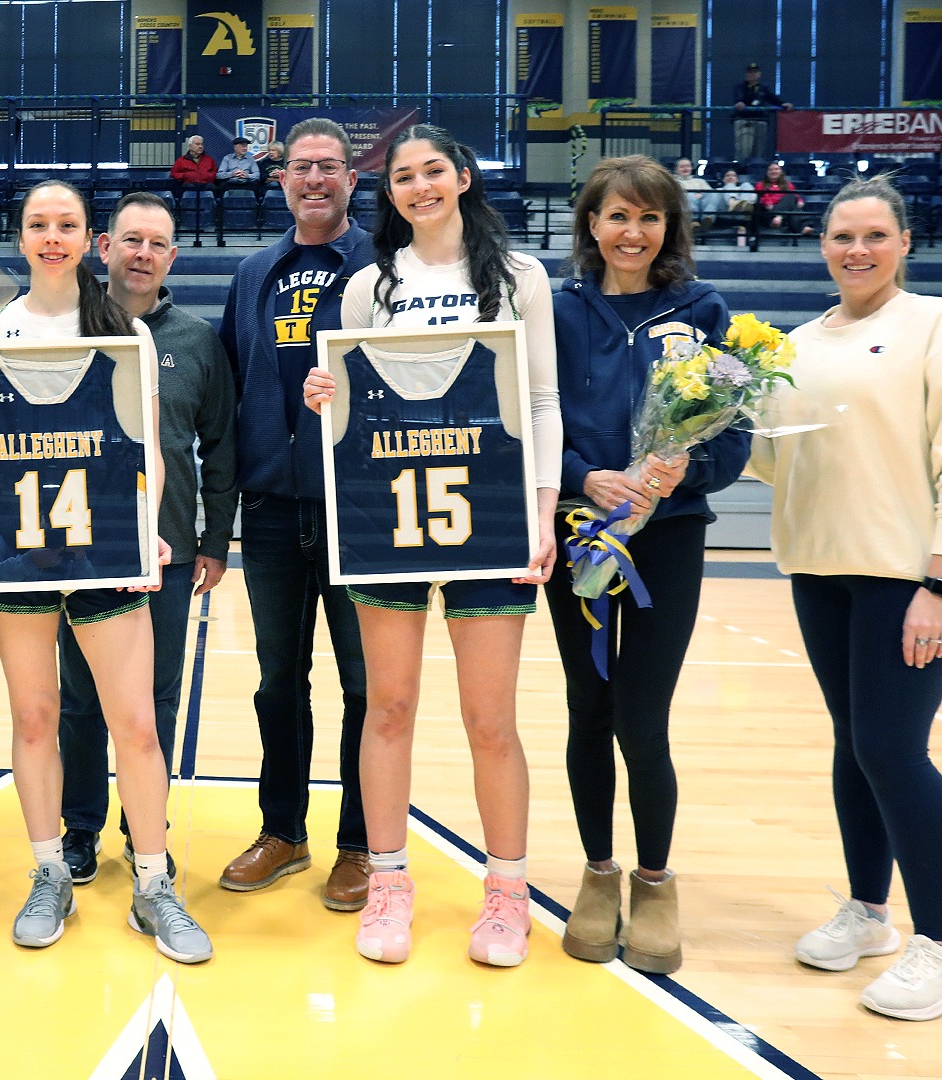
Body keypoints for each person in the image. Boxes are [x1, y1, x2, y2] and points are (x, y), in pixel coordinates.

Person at [748, 176, 942, 1022]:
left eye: (873, 235)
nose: (855, 250)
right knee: (854, 745)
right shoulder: (794, 344)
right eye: (840, 236)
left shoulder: (941, 327)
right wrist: (707, 415)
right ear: (820, 244)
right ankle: (869, 912)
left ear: (904, 243)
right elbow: (777, 461)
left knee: (896, 751)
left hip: (911, 577)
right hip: (823, 570)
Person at [0, 179, 213, 964]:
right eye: (37, 224)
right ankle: (49, 869)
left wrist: (151, 529)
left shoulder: (124, 328)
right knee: (35, 718)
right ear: (18, 236)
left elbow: (148, 445)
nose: (51, 236)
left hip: (103, 545)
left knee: (137, 724)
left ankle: (153, 883)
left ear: (90, 238)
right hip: (17, 551)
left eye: (67, 225)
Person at [302, 124, 560, 966]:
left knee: (491, 720)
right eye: (404, 176)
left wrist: (542, 509)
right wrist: (324, 395)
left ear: (463, 177)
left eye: (433, 171)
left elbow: (543, 399)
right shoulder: (369, 285)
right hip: (391, 513)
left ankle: (506, 894)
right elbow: (353, 402)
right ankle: (388, 883)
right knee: (390, 707)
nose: (419, 187)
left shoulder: (521, 277)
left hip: (490, 511)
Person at [545, 156, 747, 975]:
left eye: (649, 218)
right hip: (578, 535)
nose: (632, 232)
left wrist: (675, 477)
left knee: (642, 714)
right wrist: (578, 477)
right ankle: (599, 873)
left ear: (670, 228)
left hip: (667, 539)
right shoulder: (555, 312)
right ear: (590, 224)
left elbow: (731, 439)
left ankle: (655, 881)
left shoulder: (703, 310)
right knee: (587, 708)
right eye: (617, 216)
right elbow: (526, 418)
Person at [216, 117, 375, 912]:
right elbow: (236, 384)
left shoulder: (385, 268)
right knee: (280, 681)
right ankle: (283, 831)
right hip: (273, 511)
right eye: (300, 167)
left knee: (363, 686)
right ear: (280, 180)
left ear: (353, 179)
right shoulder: (253, 273)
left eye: (330, 167)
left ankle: (359, 844)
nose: (314, 178)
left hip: (359, 513)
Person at [57, 191, 237, 883]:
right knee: (79, 699)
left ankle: (145, 829)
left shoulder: (195, 341)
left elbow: (220, 449)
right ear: (103, 247)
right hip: (79, 545)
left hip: (166, 550)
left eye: (156, 244)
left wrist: (215, 540)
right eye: (131, 240)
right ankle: (79, 830)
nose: (142, 254)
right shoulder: (65, 327)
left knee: (157, 697)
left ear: (172, 257)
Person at [732, 62, 789, 160]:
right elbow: (738, 98)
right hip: (745, 121)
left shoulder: (763, 88)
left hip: (760, 121)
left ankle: (754, 171)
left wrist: (783, 104)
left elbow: (773, 98)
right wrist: (739, 103)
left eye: (755, 72)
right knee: (744, 150)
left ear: (759, 74)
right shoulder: (740, 87)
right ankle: (741, 171)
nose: (752, 74)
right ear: (746, 74)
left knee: (758, 151)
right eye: (750, 72)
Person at [756, 162, 811, 234]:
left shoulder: (788, 184)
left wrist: (800, 201)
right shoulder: (761, 184)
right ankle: (804, 227)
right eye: (771, 170)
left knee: (791, 201)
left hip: (785, 212)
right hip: (770, 211)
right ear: (767, 172)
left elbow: (796, 196)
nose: (773, 171)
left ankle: (779, 217)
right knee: (790, 199)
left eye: (776, 169)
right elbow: (762, 198)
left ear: (781, 171)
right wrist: (768, 203)